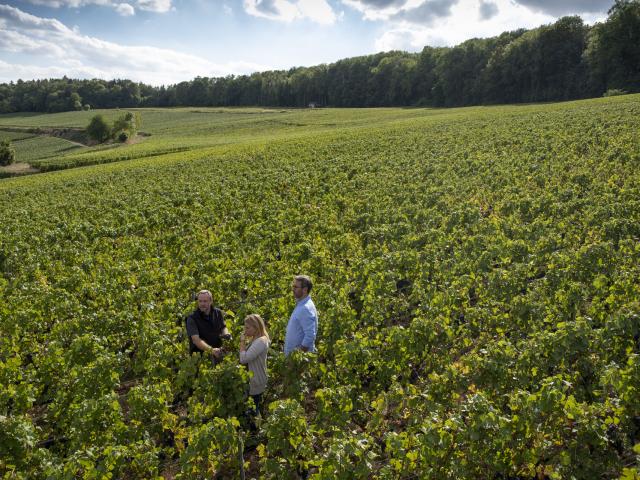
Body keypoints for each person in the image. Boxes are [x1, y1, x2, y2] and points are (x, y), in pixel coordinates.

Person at [185, 289, 231, 359]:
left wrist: (226, 334)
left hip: (218, 354)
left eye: (205, 301)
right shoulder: (192, 318)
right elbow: (196, 340)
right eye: (200, 301)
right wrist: (211, 350)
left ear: (211, 301)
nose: (202, 304)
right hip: (200, 358)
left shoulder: (217, 313)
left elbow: (223, 327)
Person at [239, 314, 270, 415]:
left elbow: (244, 359)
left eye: (247, 328)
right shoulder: (256, 339)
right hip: (254, 380)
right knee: (252, 408)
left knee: (253, 410)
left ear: (256, 328)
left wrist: (242, 341)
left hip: (256, 380)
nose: (245, 330)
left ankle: (255, 428)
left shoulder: (261, 341)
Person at [284, 275, 318, 356]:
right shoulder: (301, 304)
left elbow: (310, 336)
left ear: (305, 289)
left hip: (298, 362)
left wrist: (297, 357)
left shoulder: (305, 308)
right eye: (293, 286)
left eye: (296, 287)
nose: (293, 289)